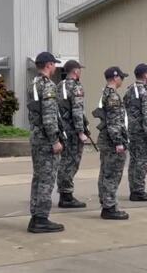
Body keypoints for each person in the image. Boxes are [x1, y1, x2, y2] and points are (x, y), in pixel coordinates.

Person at [27, 51, 65, 233]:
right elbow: (49, 117)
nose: (56, 67)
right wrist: (55, 140)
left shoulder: (33, 83)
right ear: (49, 65)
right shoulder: (48, 85)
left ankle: (36, 216)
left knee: (38, 177)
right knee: (47, 179)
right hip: (45, 139)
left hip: (36, 137)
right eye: (54, 64)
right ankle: (41, 219)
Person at [96, 67, 130, 220]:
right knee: (112, 174)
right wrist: (119, 142)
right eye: (121, 77)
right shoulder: (113, 97)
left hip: (107, 140)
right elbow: (114, 122)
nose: (122, 80)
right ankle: (109, 207)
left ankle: (106, 203)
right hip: (112, 142)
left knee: (105, 172)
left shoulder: (106, 93)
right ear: (115, 78)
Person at [56, 60, 88, 209]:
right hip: (72, 131)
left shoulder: (59, 85)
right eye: (79, 70)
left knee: (64, 162)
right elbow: (77, 111)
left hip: (62, 129)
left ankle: (64, 192)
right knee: (71, 162)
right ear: (75, 71)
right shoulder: (76, 86)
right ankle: (66, 195)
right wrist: (81, 131)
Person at [124, 63, 147, 202]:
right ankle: (138, 191)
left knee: (134, 161)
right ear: (145, 75)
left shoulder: (130, 90)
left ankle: (134, 189)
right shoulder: (146, 91)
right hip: (143, 133)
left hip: (132, 131)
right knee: (142, 162)